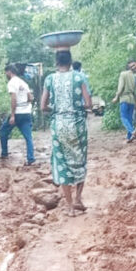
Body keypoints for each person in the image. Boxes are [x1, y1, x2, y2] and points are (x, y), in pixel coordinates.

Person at [40, 49, 93, 215]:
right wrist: (76, 107)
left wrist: (56, 109)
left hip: (58, 126)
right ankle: (78, 198)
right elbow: (88, 103)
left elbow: (43, 106)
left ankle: (70, 207)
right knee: (80, 160)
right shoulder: (79, 77)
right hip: (77, 126)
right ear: (70, 62)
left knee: (62, 164)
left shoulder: (50, 79)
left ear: (57, 62)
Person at [0, 63, 35, 165]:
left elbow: (13, 99)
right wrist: (25, 104)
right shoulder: (23, 83)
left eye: (6, 73)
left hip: (17, 113)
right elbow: (30, 98)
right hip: (26, 112)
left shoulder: (12, 83)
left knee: (3, 132)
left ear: (9, 72)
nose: (6, 75)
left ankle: (4, 153)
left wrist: (12, 115)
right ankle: (31, 158)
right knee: (28, 137)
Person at [112, 61, 136, 143]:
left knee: (123, 117)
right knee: (129, 118)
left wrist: (116, 97)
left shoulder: (123, 74)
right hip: (132, 99)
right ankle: (129, 137)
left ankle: (132, 132)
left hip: (124, 98)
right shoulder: (135, 76)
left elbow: (121, 87)